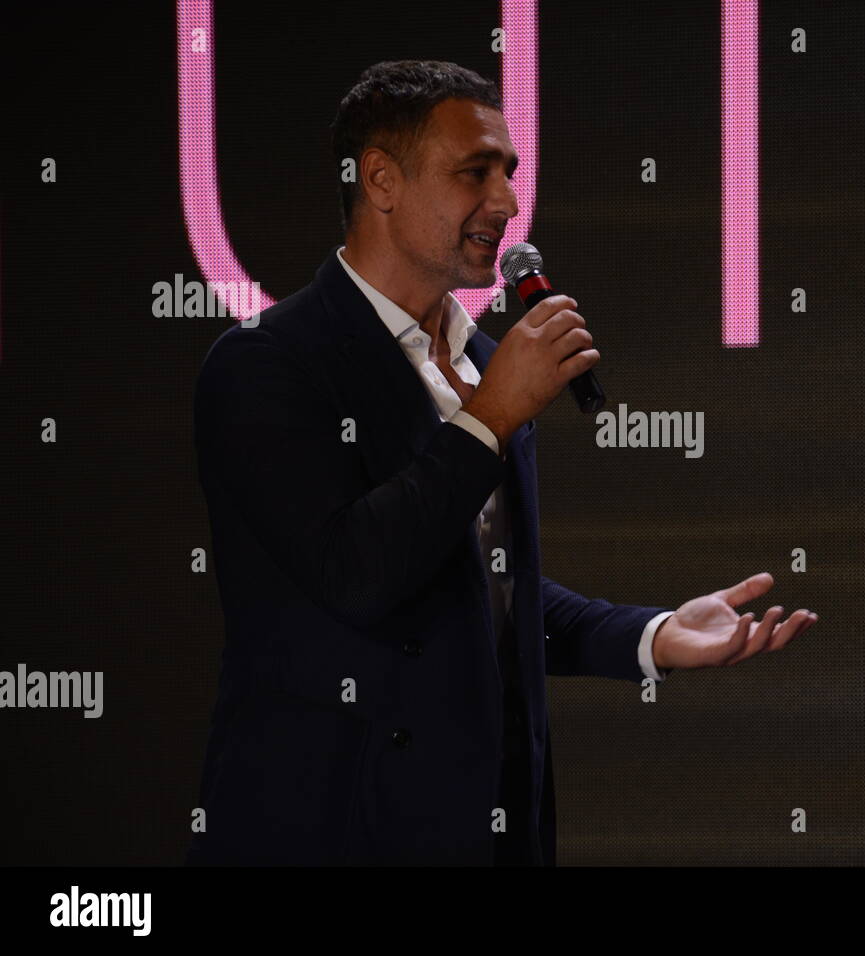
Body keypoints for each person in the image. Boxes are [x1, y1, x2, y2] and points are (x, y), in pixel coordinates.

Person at [186, 60, 817, 866]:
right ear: (380, 179)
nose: (509, 202)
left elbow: (477, 585)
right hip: (331, 830)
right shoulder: (266, 366)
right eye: (474, 172)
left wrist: (652, 636)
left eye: (509, 172)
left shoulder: (485, 360)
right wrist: (491, 417)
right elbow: (354, 573)